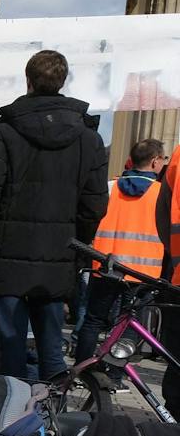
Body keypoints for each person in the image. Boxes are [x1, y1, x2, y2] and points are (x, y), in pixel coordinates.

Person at [0, 49, 109, 382]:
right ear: (62, 81)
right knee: (51, 347)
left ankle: (13, 417)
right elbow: (94, 204)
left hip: (7, 252)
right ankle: (53, 416)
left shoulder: (4, 133)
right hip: (59, 252)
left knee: (10, 345)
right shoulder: (89, 139)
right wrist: (79, 243)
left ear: (28, 80)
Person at [74, 137, 172, 364]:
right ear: (156, 161)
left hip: (107, 265)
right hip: (143, 271)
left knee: (93, 320)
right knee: (129, 322)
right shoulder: (161, 194)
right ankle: (116, 372)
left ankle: (81, 369)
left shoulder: (110, 188)